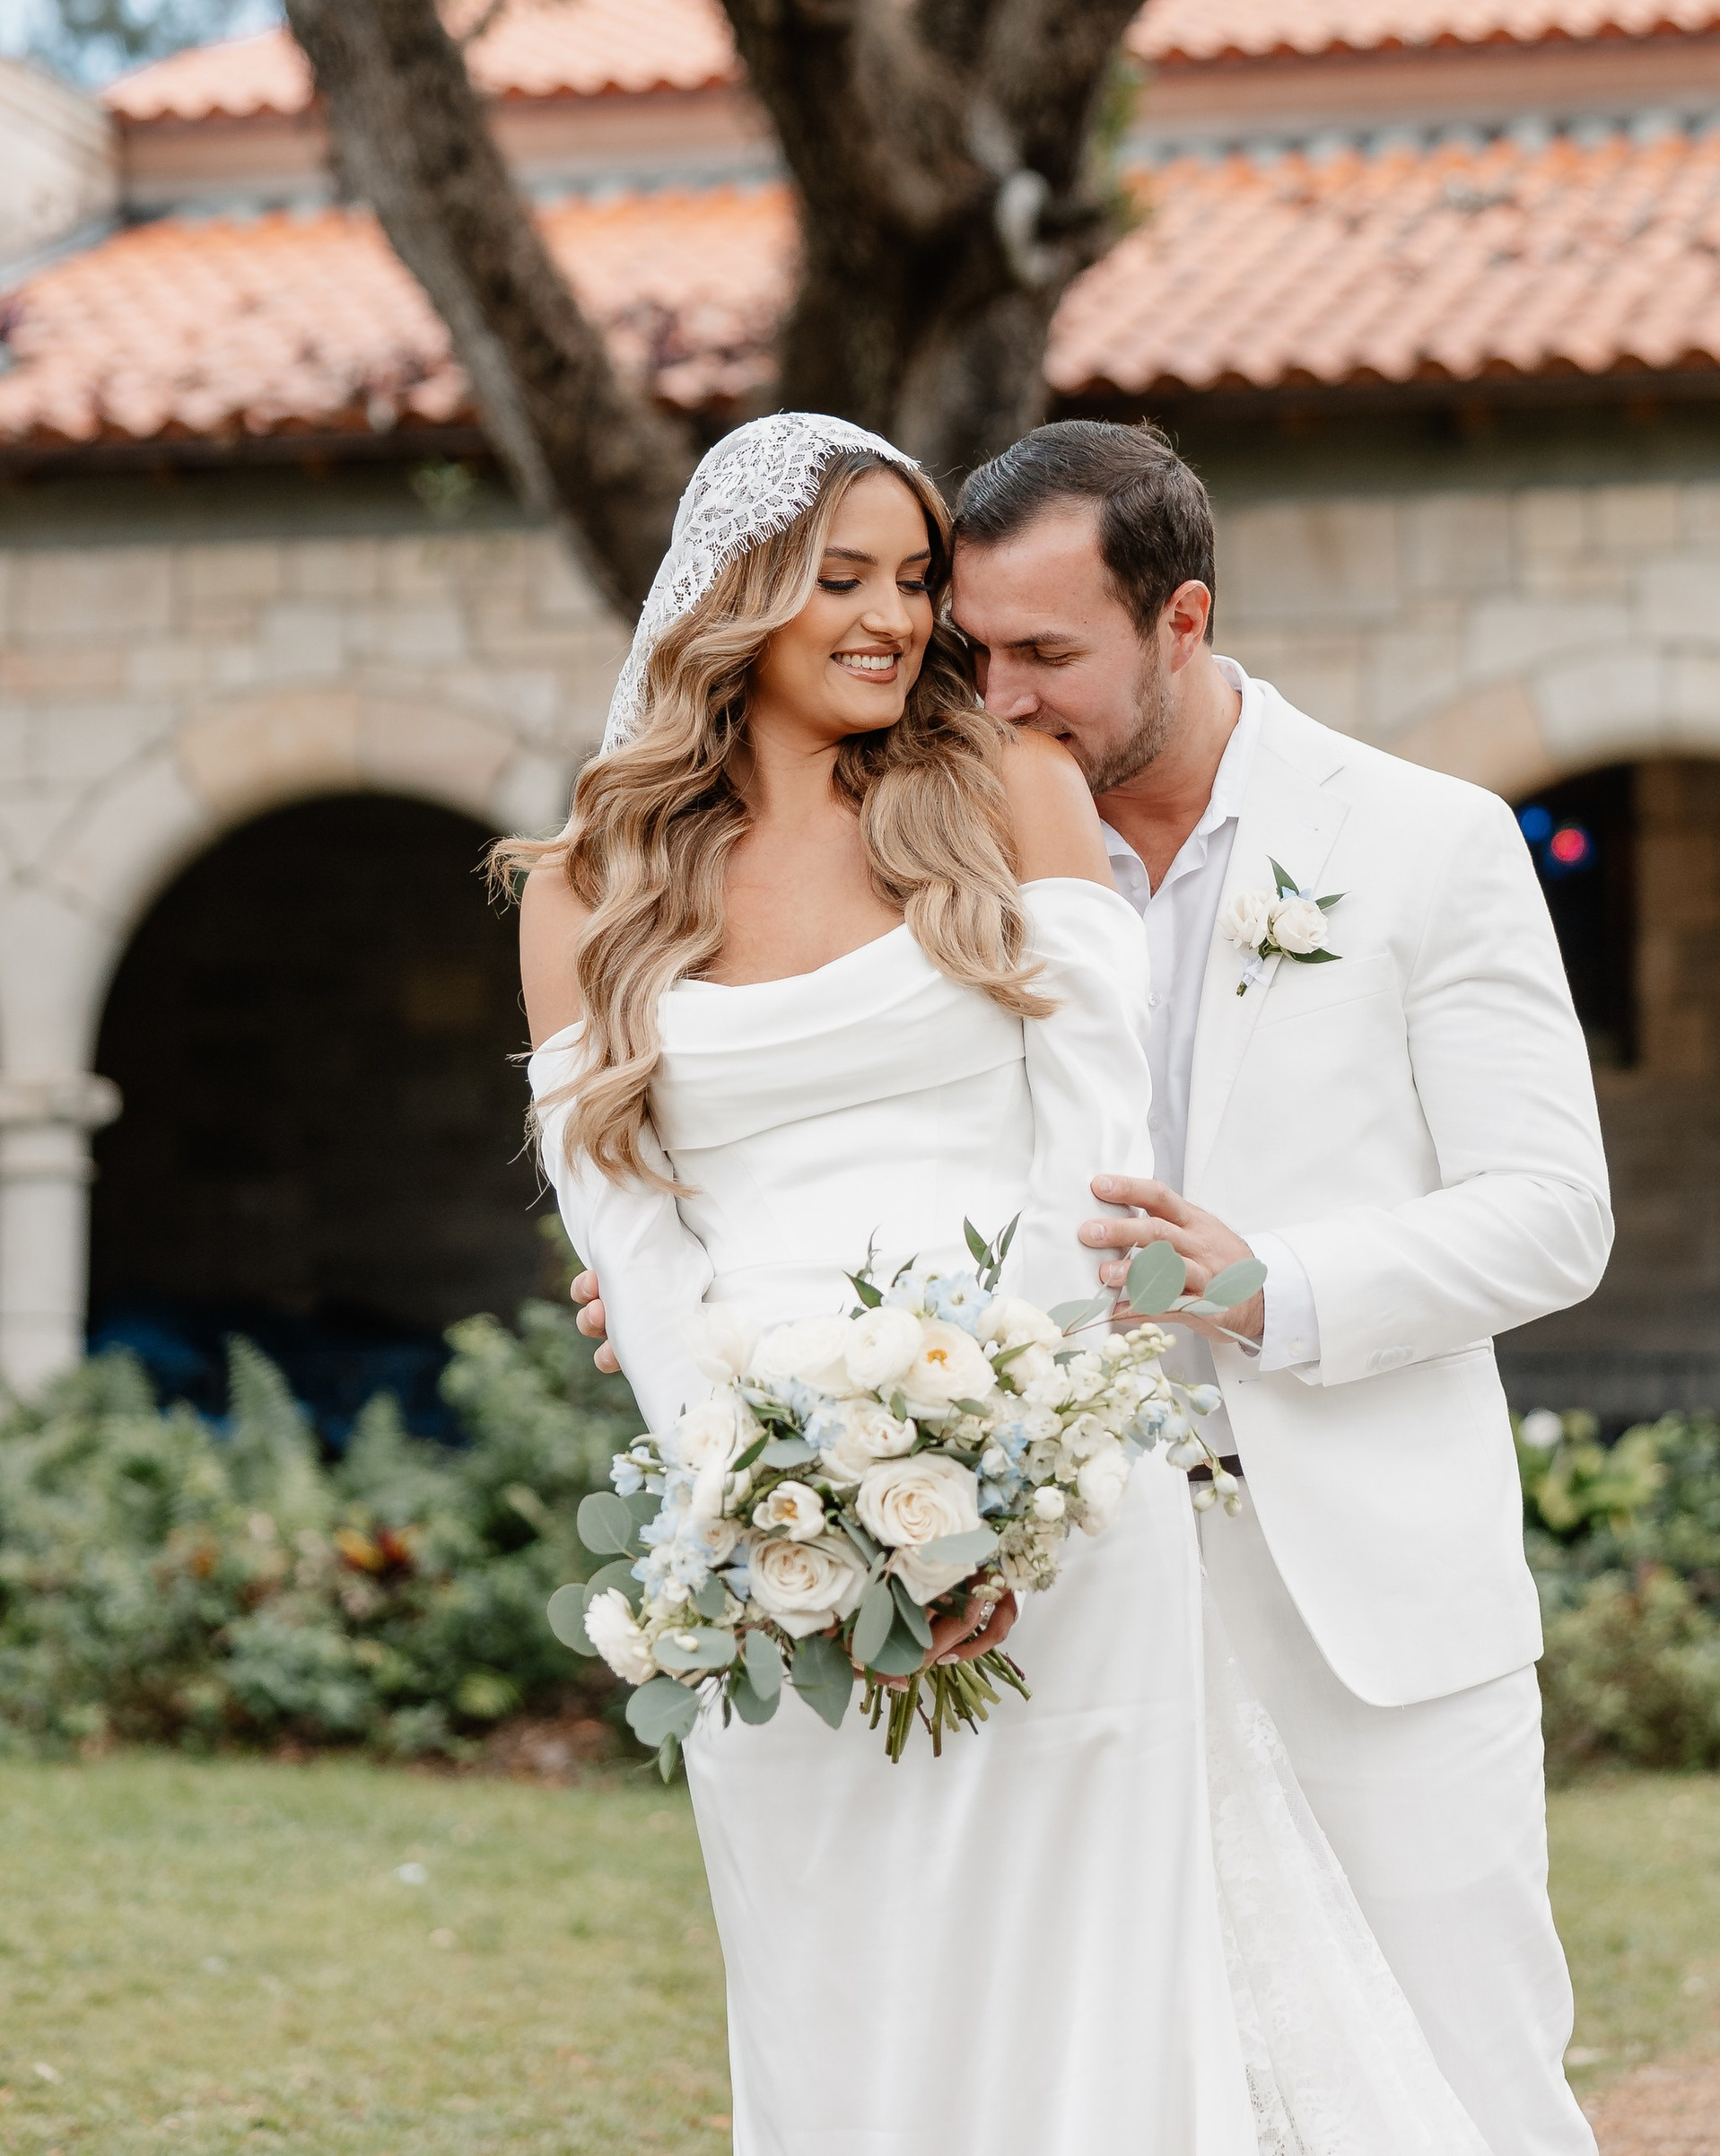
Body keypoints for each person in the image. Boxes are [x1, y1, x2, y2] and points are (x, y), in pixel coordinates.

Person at [519, 409, 1485, 2156]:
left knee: (1081, 2002)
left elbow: (1088, 1158)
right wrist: (774, 1521)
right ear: (736, 597)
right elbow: (637, 1252)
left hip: (1054, 1506)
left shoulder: (1009, 794)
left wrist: (989, 1500)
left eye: (915, 584)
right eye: (845, 579)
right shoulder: (586, 886)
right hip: (772, 1543)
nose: (896, 619)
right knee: (839, 1991)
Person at [942, 420, 1613, 2156]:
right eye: (977, 653)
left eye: (1046, 655)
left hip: (1374, 1606)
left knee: (1462, 2083)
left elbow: (1553, 1213)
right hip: (1079, 1599)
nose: (1001, 700)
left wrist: (1269, 1284)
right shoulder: (963, 880)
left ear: (1181, 622)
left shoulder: (1425, 842)